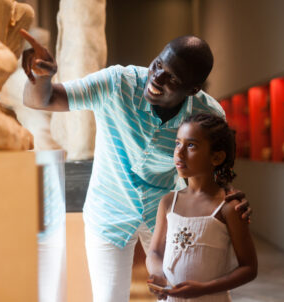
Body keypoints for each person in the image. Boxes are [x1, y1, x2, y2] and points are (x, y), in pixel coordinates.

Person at [20, 31, 252, 302]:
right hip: (109, 211)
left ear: (192, 90)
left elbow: (216, 162)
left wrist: (229, 196)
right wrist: (43, 76)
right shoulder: (118, 83)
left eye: (172, 78)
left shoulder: (207, 113)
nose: (157, 78)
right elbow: (42, 100)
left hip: (164, 214)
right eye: (158, 64)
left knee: (172, 297)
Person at [146, 113, 257, 301]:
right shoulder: (168, 202)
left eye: (191, 145)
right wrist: (158, 274)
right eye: (177, 143)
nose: (179, 153)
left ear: (216, 157)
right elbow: (155, 251)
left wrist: (204, 288)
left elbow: (249, 268)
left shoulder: (228, 208)